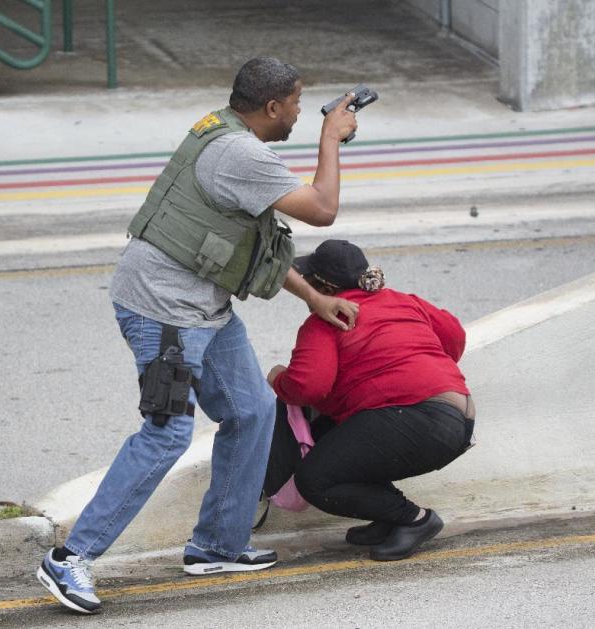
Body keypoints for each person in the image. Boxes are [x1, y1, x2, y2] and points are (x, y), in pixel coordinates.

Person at [36, 57, 359, 615]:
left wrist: (313, 296)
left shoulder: (227, 132)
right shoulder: (240, 153)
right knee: (166, 433)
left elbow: (249, 240)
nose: (303, 116)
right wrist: (333, 137)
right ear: (272, 107)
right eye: (299, 106)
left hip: (202, 306)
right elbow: (323, 209)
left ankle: (217, 544)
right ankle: (70, 558)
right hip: (162, 311)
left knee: (253, 411)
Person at [267, 239, 476, 562]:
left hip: (415, 419)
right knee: (349, 442)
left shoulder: (326, 321)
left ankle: (415, 519)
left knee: (315, 479)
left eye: (309, 280)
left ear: (323, 286)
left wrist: (277, 377)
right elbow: (454, 337)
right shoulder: (404, 301)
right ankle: (388, 516)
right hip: (460, 416)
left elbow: (309, 387)